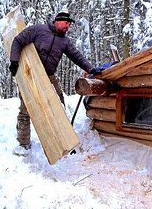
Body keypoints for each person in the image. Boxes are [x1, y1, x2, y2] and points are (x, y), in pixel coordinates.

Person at [8, 12, 97, 156]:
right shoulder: (39, 30)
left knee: (59, 106)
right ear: (57, 21)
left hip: (49, 77)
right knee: (26, 109)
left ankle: (66, 142)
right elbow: (18, 40)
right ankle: (23, 144)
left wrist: (91, 69)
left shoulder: (65, 42)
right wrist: (14, 61)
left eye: (69, 24)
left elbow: (77, 56)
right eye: (66, 23)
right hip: (30, 75)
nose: (68, 26)